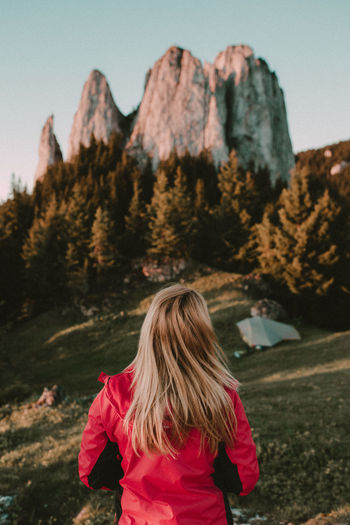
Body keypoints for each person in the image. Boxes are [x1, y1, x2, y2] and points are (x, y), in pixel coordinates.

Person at [79, 283, 259, 524]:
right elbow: (242, 479)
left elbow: (92, 473)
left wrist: (135, 478)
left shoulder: (113, 396)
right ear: (203, 333)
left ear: (149, 331)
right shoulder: (223, 396)